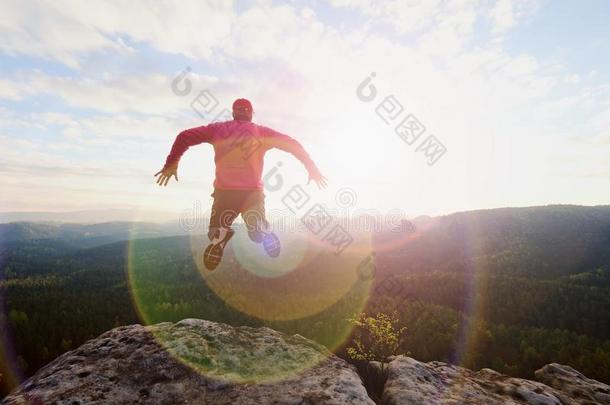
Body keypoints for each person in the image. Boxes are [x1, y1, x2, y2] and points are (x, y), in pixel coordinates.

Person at [155, 98, 327, 270]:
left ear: (233, 113)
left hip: (224, 193)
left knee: (214, 232)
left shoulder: (217, 129)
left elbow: (184, 136)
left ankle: (220, 238)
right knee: (257, 235)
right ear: (251, 114)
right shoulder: (261, 132)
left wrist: (172, 162)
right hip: (253, 193)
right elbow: (292, 144)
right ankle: (260, 228)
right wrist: (311, 168)